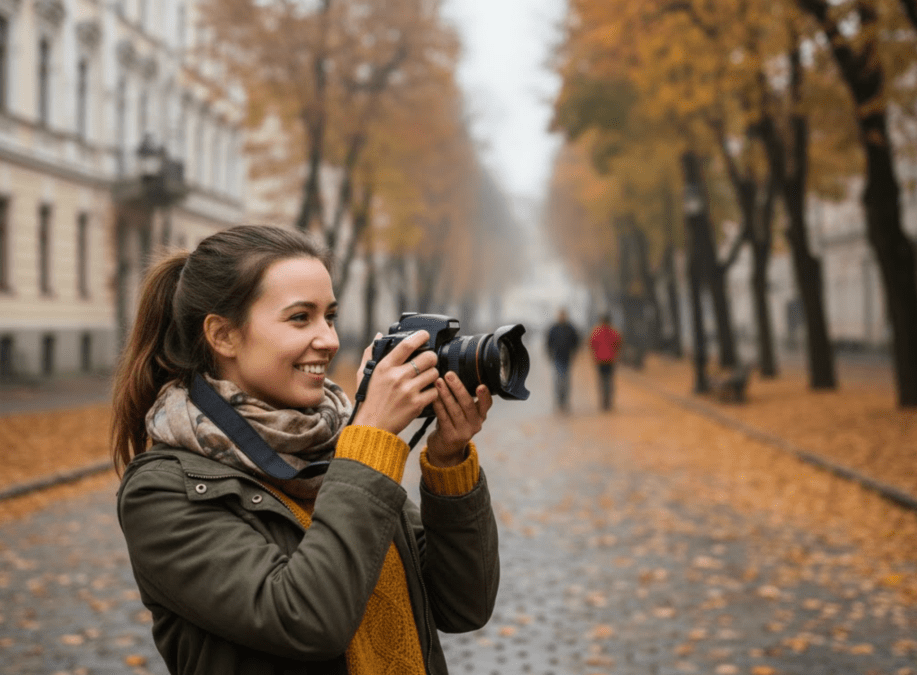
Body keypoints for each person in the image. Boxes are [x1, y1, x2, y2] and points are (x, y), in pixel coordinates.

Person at [111, 225, 499, 675]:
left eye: (329, 317)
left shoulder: (335, 449)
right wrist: (370, 441)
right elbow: (307, 620)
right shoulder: (163, 490)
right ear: (223, 336)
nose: (330, 340)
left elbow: (462, 606)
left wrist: (448, 464)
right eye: (301, 318)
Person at [545, 308, 580, 413]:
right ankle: (559, 401)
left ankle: (565, 401)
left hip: (567, 358)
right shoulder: (553, 328)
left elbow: (576, 341)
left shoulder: (570, 328)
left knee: (566, 381)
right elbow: (548, 342)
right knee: (558, 381)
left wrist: (574, 353)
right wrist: (550, 355)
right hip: (557, 357)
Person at [589, 314, 623, 411]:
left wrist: (594, 356)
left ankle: (604, 401)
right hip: (611, 359)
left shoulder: (596, 332)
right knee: (609, 380)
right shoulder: (614, 332)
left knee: (602, 381)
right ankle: (608, 401)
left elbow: (592, 344)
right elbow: (618, 343)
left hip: (600, 360)